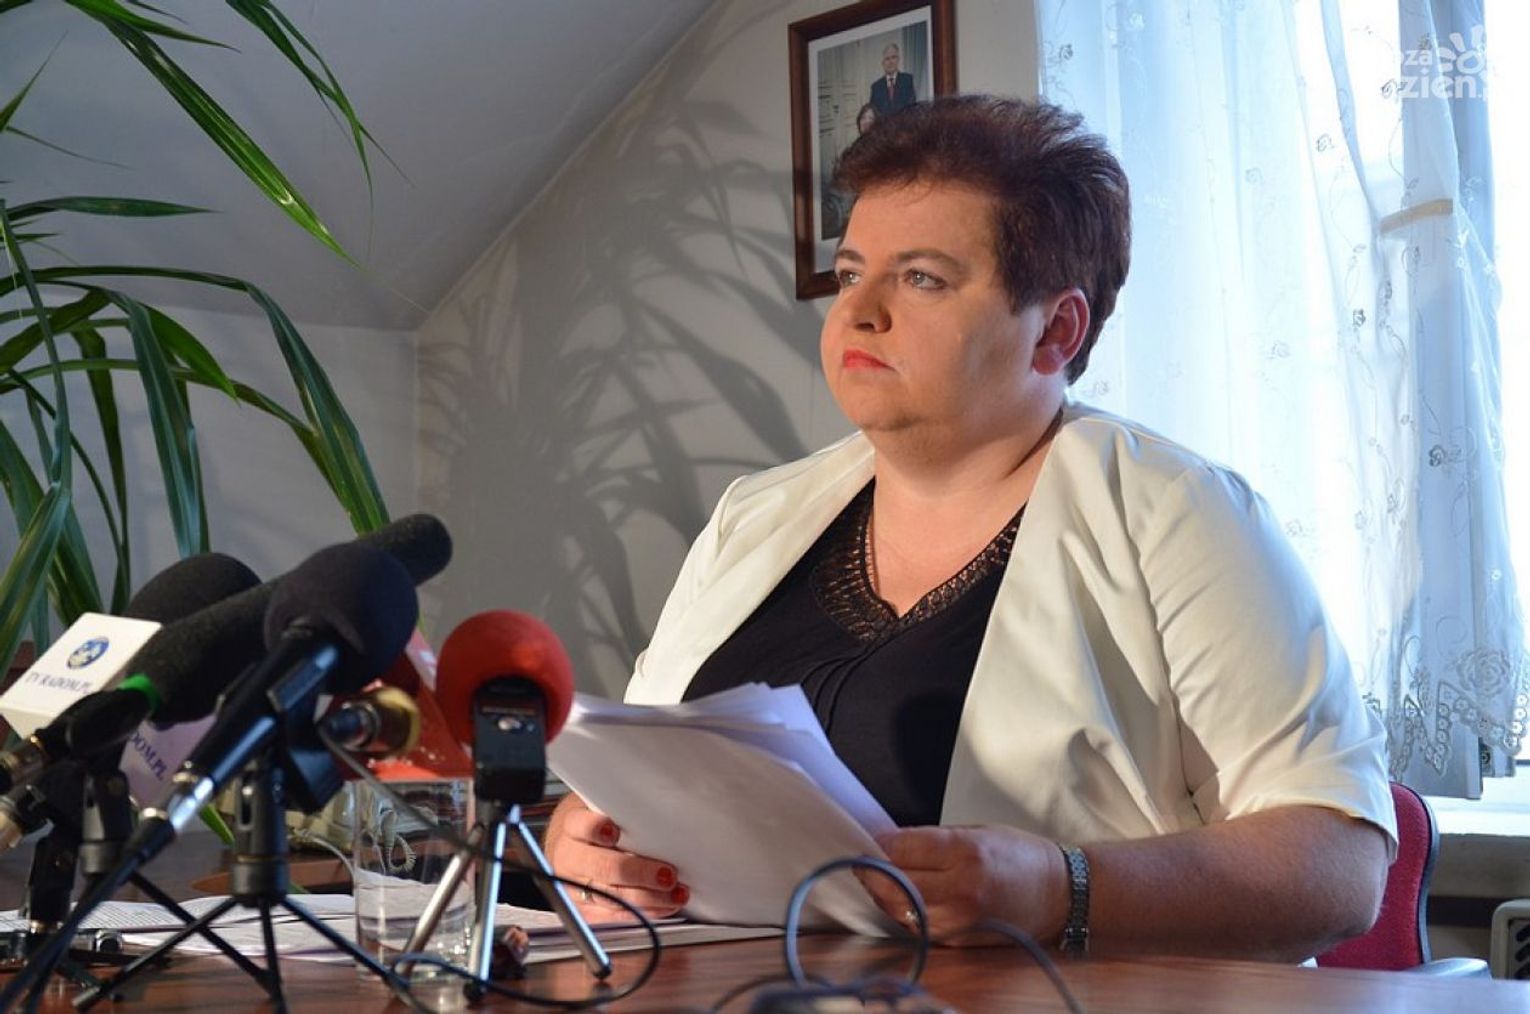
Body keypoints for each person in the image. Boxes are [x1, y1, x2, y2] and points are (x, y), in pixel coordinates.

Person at [545, 96, 1395, 961]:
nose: (859, 312)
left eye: (922, 278)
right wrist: (589, 845)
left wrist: (1063, 889)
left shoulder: (1176, 512)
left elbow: (1339, 866)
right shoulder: (751, 517)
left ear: (1055, 330)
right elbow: (628, 779)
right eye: (851, 273)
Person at [869, 43, 916, 114]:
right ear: (883, 63)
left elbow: (912, 108)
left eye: (893, 57)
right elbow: (873, 112)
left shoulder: (907, 80)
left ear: (898, 60)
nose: (890, 62)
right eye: (887, 59)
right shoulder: (875, 87)